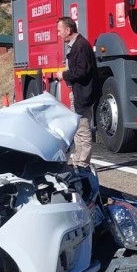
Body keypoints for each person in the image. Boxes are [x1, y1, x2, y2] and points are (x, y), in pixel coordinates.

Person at [55, 16, 99, 170]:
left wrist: (64, 75)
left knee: (83, 129)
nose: (58, 34)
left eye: (59, 30)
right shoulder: (76, 46)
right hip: (79, 92)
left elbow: (82, 70)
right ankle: (78, 161)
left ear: (68, 30)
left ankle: (83, 163)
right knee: (78, 129)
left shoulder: (80, 45)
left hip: (83, 94)